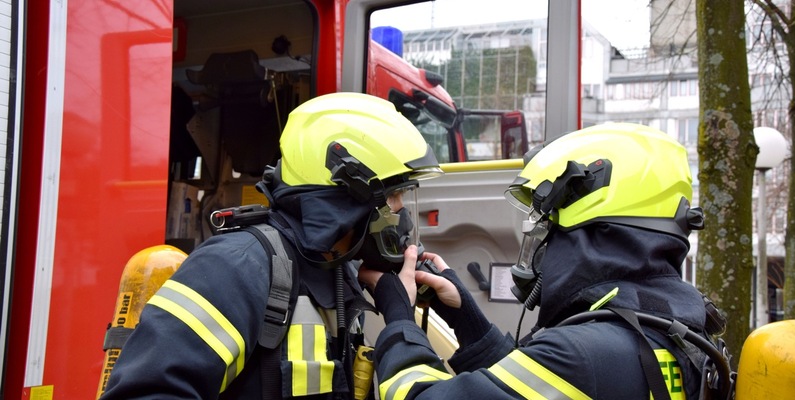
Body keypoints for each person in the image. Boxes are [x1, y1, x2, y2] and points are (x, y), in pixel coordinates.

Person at [101, 92, 443, 399]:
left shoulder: (335, 269)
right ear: (347, 198)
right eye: (394, 194)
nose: (400, 210)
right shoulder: (234, 267)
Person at [361, 123, 729, 399]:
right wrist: (467, 319)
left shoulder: (581, 353)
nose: (539, 250)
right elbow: (530, 387)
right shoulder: (677, 330)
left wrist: (398, 317)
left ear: (586, 237)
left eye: (547, 233)